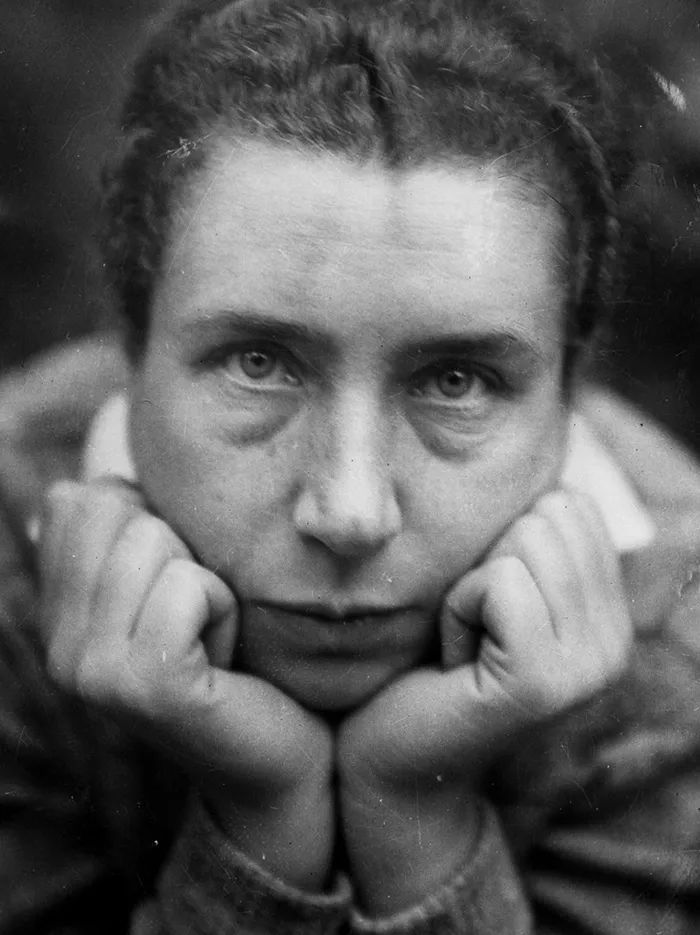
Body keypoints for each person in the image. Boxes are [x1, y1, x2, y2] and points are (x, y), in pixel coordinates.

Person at [1, 0, 700, 931]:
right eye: (259, 363)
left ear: (570, 396)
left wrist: (416, 816)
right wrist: (264, 817)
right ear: (130, 353)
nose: (350, 512)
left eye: (455, 379)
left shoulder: (685, 646)